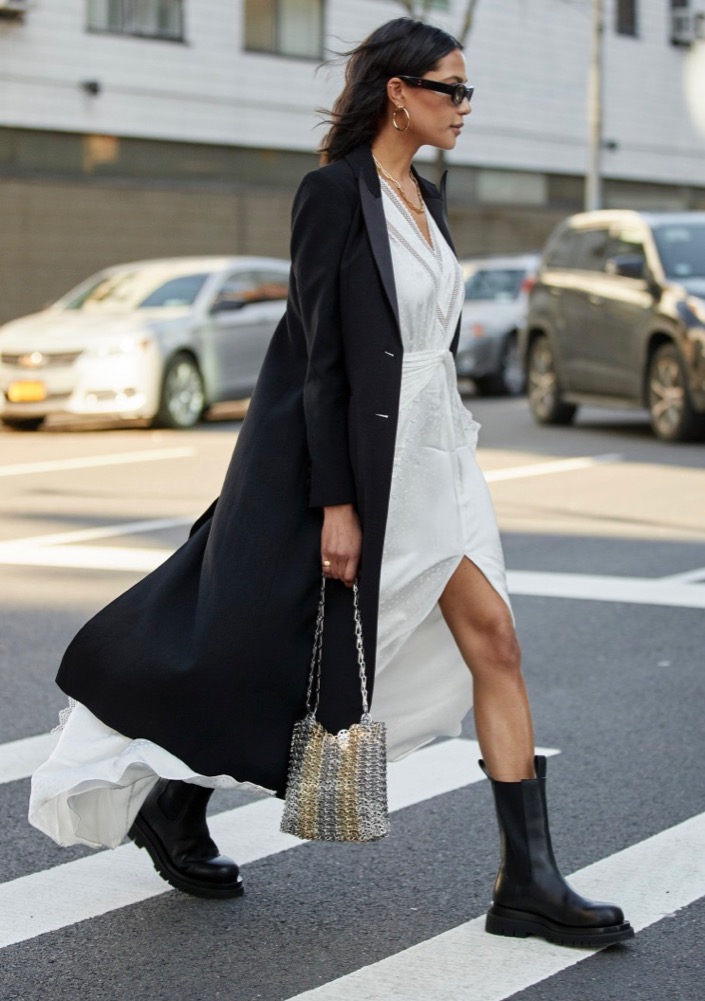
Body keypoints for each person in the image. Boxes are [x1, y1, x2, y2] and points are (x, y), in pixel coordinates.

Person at [29, 17, 633, 946]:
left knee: (495, 644)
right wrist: (338, 501)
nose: (464, 107)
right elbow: (318, 359)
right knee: (263, 649)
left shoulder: (429, 197)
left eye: (466, 90)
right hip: (373, 466)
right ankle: (168, 795)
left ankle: (528, 883)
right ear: (398, 91)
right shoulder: (331, 195)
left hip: (441, 457)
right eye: (451, 88)